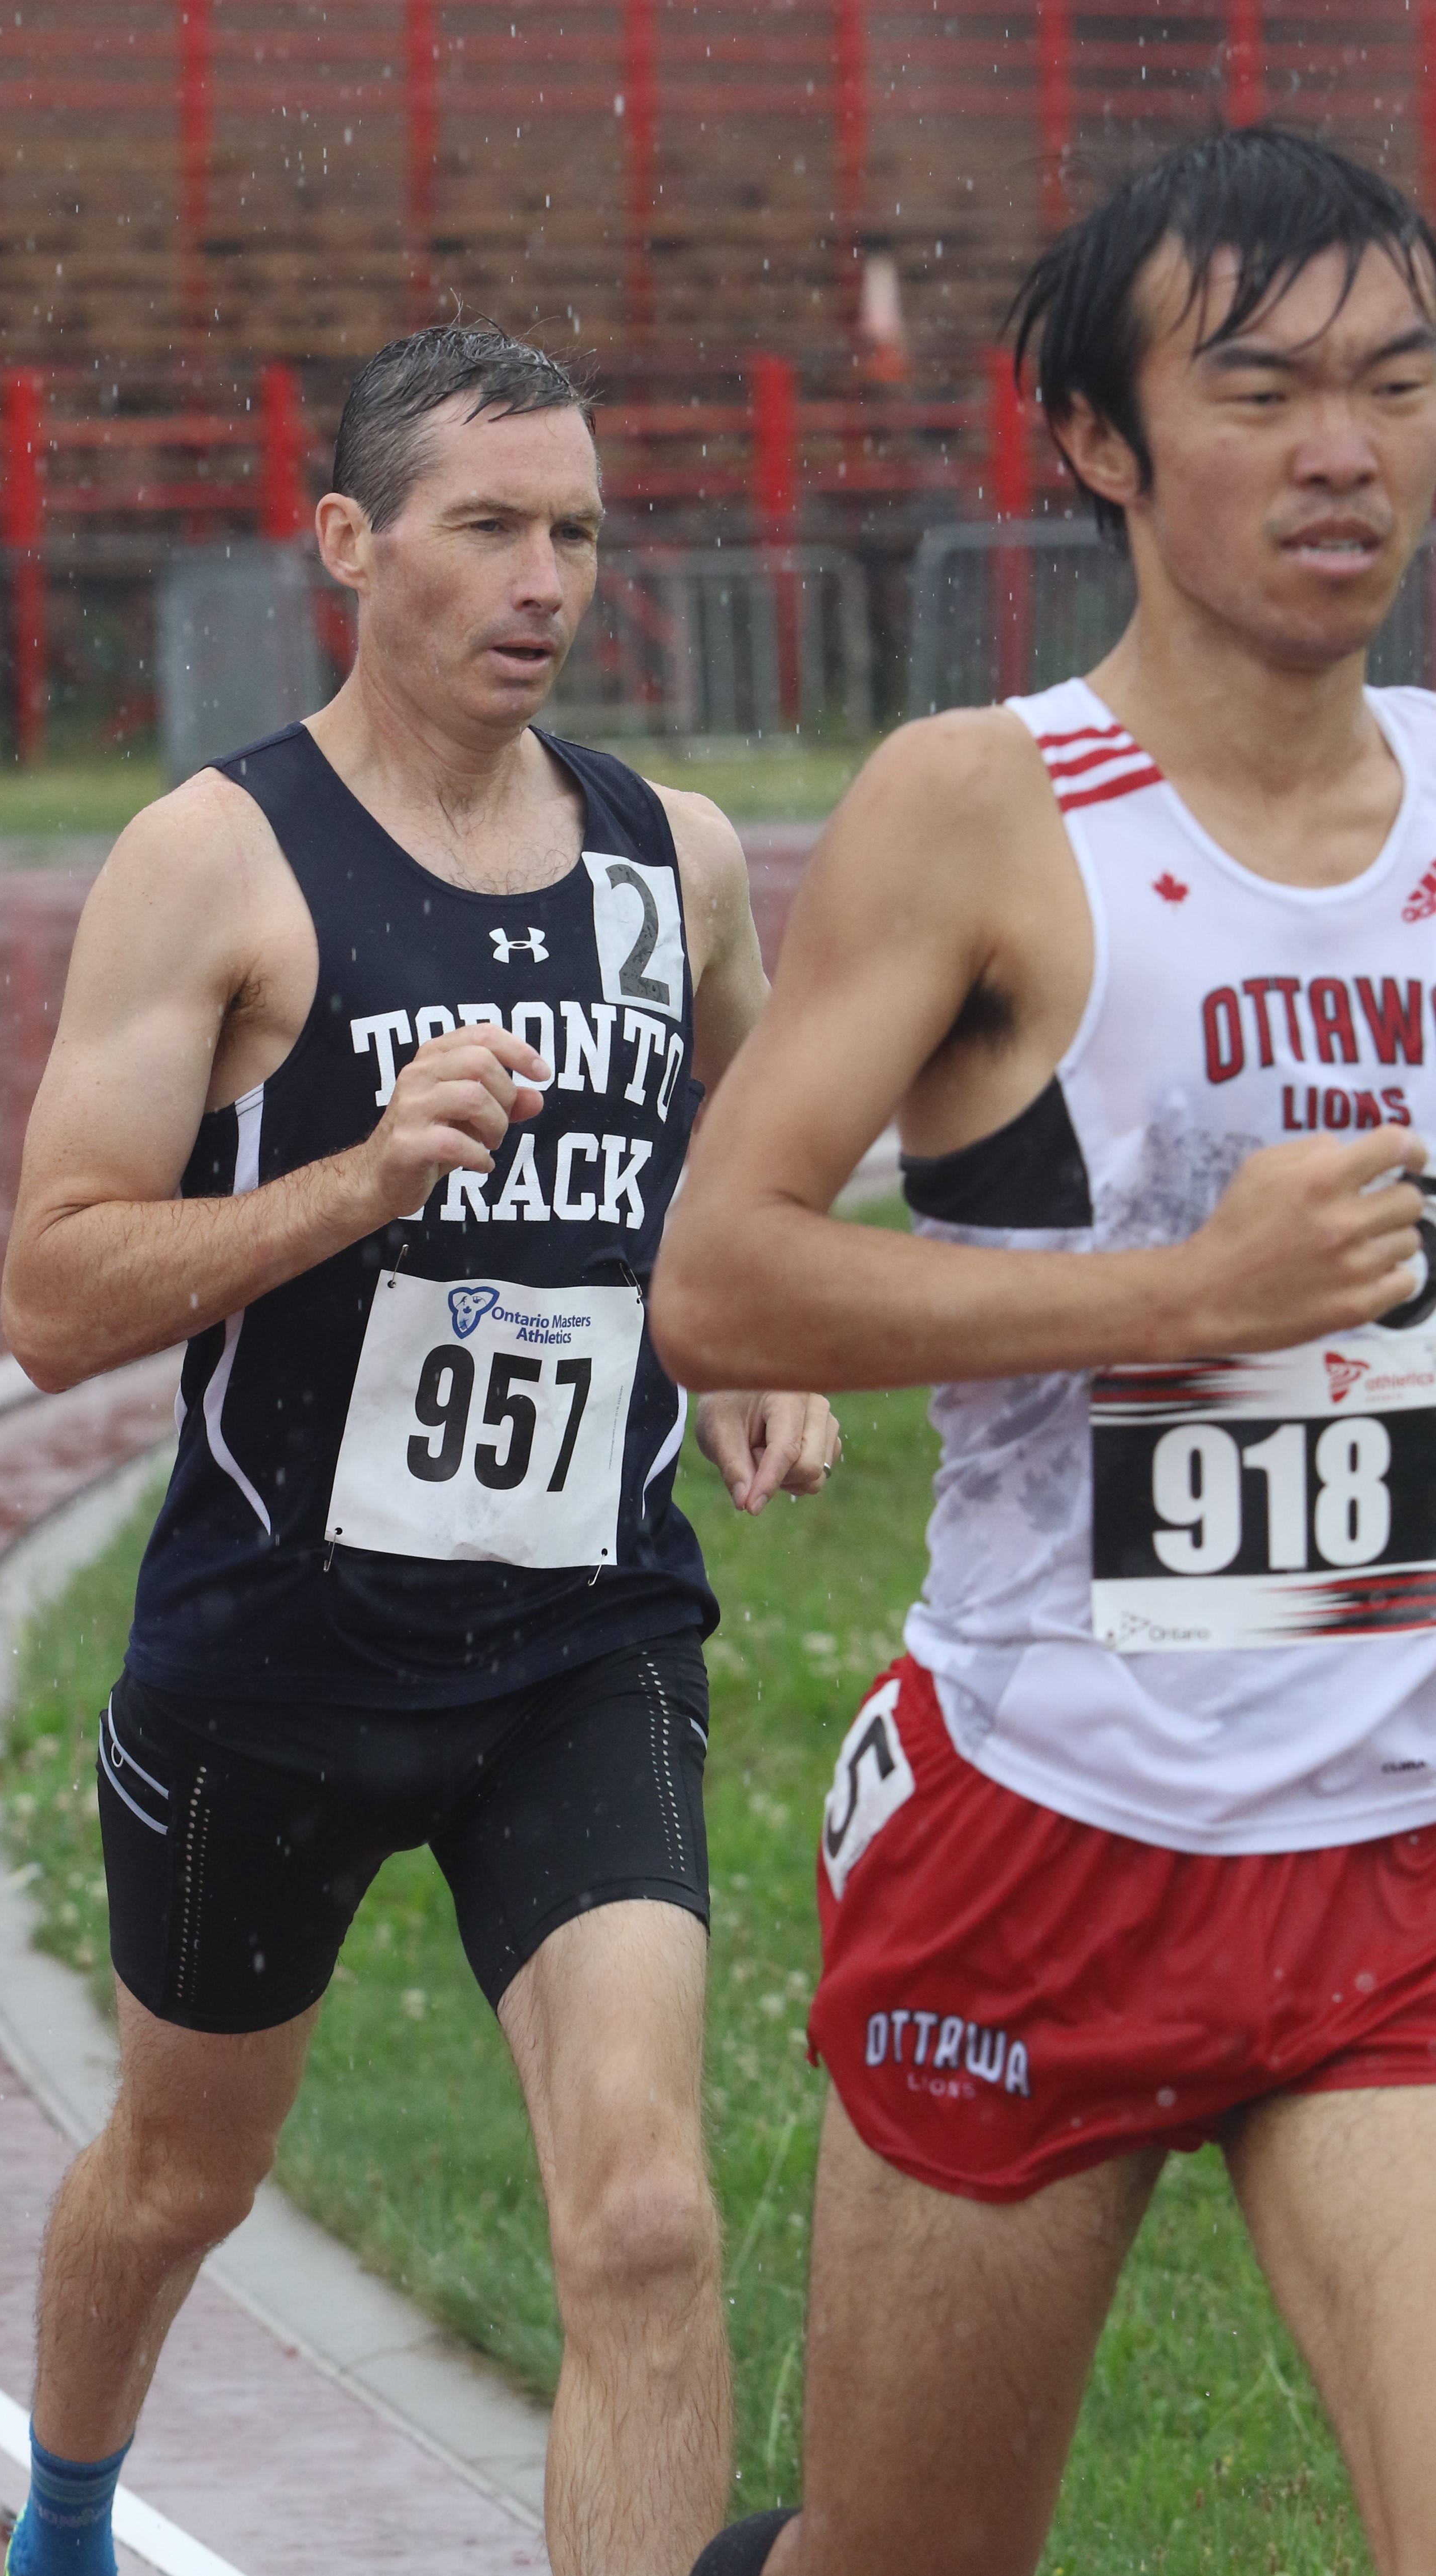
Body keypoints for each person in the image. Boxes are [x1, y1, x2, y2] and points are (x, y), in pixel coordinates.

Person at [652, 128, 1436, 2576]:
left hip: (1393, 1837)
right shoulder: (988, 809)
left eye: (1400, 384)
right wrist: (1181, 1303)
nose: (1346, 450)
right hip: (1047, 1816)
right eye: (1266, 392)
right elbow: (724, 1277)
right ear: (1098, 437)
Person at [0, 322, 838, 2576]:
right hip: (277, 1656)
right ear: (351, 542)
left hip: (581, 1638)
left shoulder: (674, 860)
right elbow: (51, 1294)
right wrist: (357, 1182)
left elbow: (747, 1160)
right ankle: (63, 2517)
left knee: (646, 2215)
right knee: (182, 2175)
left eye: (578, 532)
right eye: (488, 527)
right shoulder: (218, 860)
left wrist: (756, 1337)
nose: (545, 579)